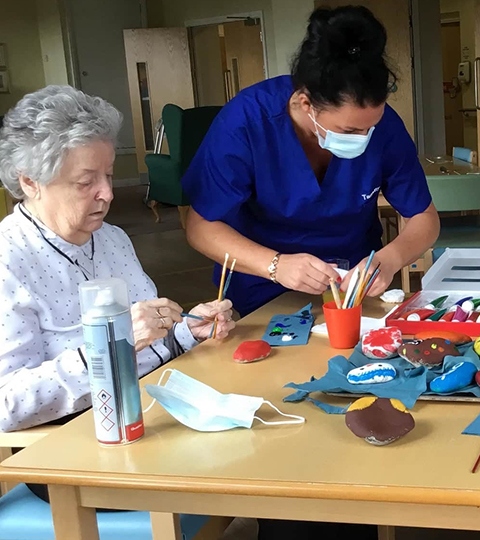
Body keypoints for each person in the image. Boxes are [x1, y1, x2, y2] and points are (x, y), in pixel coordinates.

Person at [0, 86, 236, 500]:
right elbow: (7, 405)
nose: (108, 193)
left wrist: (185, 332)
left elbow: (144, 343)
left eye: (108, 175)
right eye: (85, 181)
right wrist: (110, 344)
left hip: (151, 413)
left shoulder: (110, 239)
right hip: (76, 446)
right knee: (245, 463)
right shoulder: (8, 261)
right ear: (29, 182)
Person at [181, 5, 440, 318]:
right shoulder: (247, 123)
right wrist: (276, 265)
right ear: (306, 103)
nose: (364, 137)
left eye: (371, 126)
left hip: (352, 292)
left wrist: (390, 258)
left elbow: (424, 217)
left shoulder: (386, 129)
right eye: (350, 130)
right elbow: (200, 226)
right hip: (260, 291)